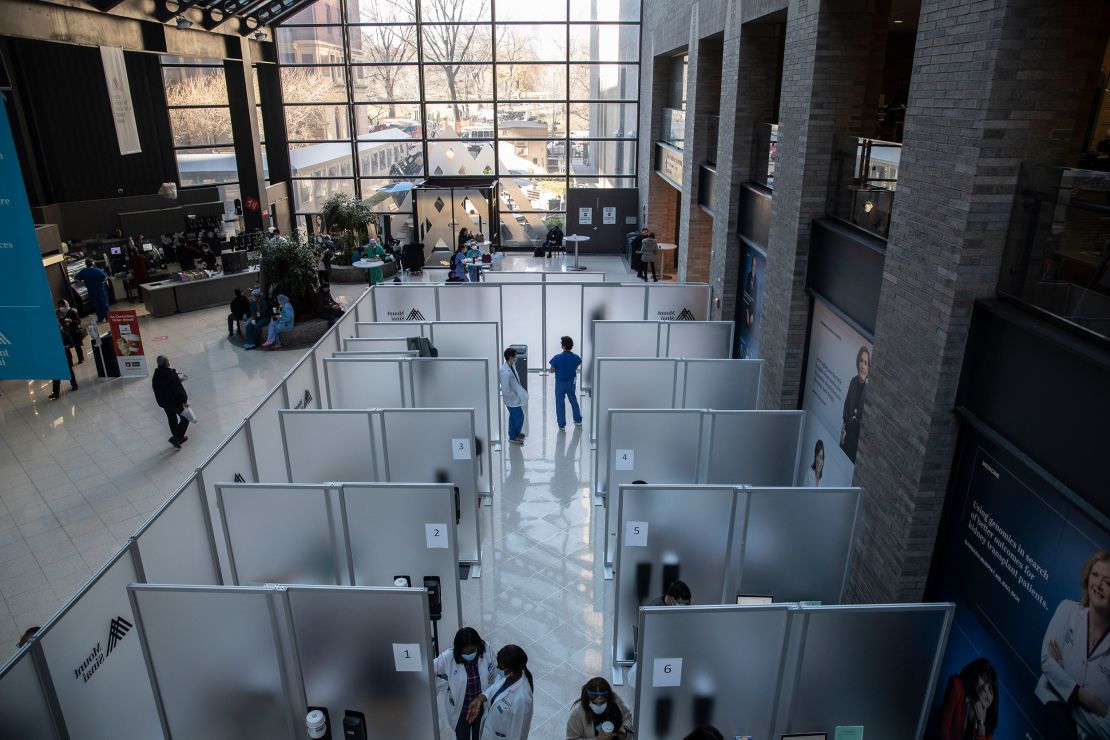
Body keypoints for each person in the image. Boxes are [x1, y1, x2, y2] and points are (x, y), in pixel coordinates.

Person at [1036, 549, 1110, 739]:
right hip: (1042, 718)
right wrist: (1086, 699)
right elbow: (1046, 662)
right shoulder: (1067, 609)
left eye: (1108, 582)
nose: (1098, 585)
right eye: (1095, 575)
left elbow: (1107, 730)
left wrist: (1063, 686)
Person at [434, 627, 498, 740]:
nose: (469, 655)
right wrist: (445, 685)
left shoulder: (486, 649)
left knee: (481, 735)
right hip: (461, 709)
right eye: (465, 652)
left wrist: (487, 695)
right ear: (459, 650)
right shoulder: (447, 658)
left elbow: (495, 671)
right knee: (462, 736)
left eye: (472, 651)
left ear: (478, 646)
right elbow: (429, 672)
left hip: (481, 704)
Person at [466, 644, 533, 740]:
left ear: (511, 670)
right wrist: (480, 699)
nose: (497, 667)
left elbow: (518, 735)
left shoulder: (522, 699)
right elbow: (494, 688)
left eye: (500, 666)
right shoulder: (507, 676)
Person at [934, 658, 999, 740]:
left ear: (993, 700)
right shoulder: (957, 687)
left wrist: (981, 722)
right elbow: (943, 731)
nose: (985, 688)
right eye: (982, 677)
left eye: (990, 689)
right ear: (974, 674)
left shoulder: (988, 722)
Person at [565, 677, 633, 739]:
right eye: (594, 703)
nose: (599, 706)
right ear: (588, 701)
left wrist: (625, 732)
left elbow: (628, 717)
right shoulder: (577, 714)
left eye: (602, 703)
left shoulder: (615, 701)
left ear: (608, 699)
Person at [152, 355, 189, 449]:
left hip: (164, 402)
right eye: (168, 361)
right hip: (174, 402)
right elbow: (178, 389)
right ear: (166, 363)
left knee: (172, 418)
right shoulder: (171, 374)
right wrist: (184, 400)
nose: (169, 362)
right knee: (185, 418)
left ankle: (177, 438)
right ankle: (176, 438)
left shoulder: (156, 375)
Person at [840, 346, 869, 462]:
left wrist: (849, 428)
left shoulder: (869, 390)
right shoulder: (853, 382)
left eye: (866, 363)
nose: (863, 366)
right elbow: (846, 408)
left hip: (856, 443)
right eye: (861, 361)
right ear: (858, 362)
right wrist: (844, 430)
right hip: (847, 435)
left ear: (869, 367)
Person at [548, 336, 583, 431]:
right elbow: (577, 365)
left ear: (563, 346)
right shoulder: (576, 358)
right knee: (573, 400)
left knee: (560, 403)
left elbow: (552, 370)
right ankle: (578, 420)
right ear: (571, 346)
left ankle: (562, 425)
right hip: (571, 382)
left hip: (560, 383)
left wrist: (555, 369)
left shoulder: (557, 358)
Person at [500, 347, 528, 445]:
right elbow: (505, 390)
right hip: (511, 400)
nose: (516, 358)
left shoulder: (511, 365)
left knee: (513, 417)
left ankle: (512, 435)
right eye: (515, 356)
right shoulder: (505, 372)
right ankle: (514, 436)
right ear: (511, 357)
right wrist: (515, 397)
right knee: (520, 417)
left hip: (514, 398)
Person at [48, 330, 79, 400]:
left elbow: (72, 344)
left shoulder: (65, 334)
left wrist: (64, 347)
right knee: (56, 373)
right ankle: (56, 393)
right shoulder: (51, 336)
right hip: (56, 356)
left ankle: (74, 385)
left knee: (69, 370)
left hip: (66, 355)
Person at [56, 299, 84, 363]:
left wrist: (71, 321)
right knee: (67, 348)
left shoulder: (72, 311)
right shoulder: (59, 313)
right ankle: (70, 362)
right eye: (59, 306)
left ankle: (81, 358)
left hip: (74, 331)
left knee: (77, 346)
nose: (61, 307)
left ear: (66, 304)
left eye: (62, 305)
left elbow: (78, 321)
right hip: (66, 333)